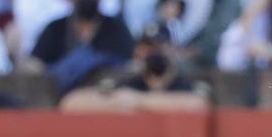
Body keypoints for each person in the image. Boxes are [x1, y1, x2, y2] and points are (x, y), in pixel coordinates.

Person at [25, 0, 135, 94]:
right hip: (60, 98)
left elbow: (130, 63)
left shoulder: (116, 27)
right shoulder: (56, 28)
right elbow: (35, 63)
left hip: (106, 96)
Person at [58, 20, 210, 111]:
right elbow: (71, 103)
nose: (151, 53)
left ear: (172, 50)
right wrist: (118, 99)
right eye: (146, 47)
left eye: (158, 47)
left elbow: (199, 104)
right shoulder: (128, 83)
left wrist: (139, 101)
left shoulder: (184, 85)